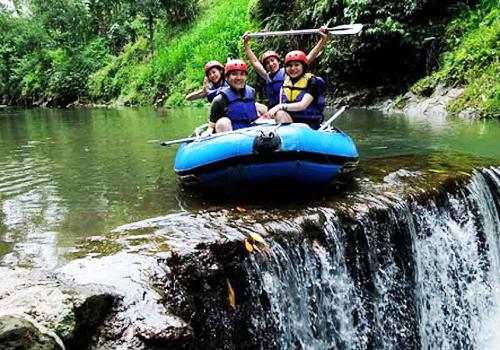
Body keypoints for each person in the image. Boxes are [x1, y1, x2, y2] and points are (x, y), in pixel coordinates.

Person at [243, 26, 329, 108]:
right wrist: (246, 44)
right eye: (267, 63)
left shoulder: (288, 72)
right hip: (272, 108)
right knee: (255, 105)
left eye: (273, 60)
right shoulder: (267, 76)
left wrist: (322, 40)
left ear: (278, 62)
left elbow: (308, 58)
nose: (271, 64)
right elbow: (254, 62)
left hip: (288, 107)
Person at [266, 50, 326, 130]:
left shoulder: (313, 82)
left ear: (303, 66)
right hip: (291, 122)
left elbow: (303, 105)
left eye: (297, 65)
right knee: (280, 114)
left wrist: (279, 106)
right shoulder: (285, 83)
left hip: (310, 124)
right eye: (290, 66)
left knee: (279, 110)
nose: (293, 68)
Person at [203, 59, 263, 136]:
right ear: (227, 78)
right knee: (223, 122)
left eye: (242, 74)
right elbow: (211, 126)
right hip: (233, 136)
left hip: (253, 132)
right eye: (234, 74)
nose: (238, 78)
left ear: (246, 77)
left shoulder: (252, 92)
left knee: (261, 108)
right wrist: (208, 132)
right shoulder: (219, 100)